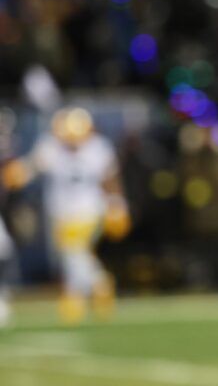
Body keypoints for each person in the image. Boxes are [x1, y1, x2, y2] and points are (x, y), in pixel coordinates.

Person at [1, 107, 130, 324]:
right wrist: (19, 173)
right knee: (72, 254)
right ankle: (88, 288)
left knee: (73, 251)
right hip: (61, 212)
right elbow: (33, 166)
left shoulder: (98, 148)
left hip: (89, 210)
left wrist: (117, 205)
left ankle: (86, 290)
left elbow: (110, 179)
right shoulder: (52, 146)